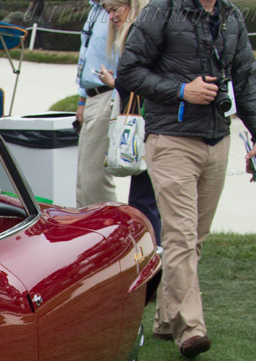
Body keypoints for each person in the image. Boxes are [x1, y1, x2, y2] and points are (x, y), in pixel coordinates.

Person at [117, 0, 256, 358]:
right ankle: (191, 329)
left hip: (218, 140)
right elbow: (129, 69)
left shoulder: (232, 16)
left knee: (194, 238)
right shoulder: (162, 10)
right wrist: (182, 90)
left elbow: (246, 76)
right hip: (170, 140)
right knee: (182, 236)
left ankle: (166, 320)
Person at [95, 0, 160, 243]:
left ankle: (152, 251)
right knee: (148, 198)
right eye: (108, 11)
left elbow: (139, 80)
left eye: (116, 9)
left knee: (143, 201)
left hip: (149, 125)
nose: (111, 16)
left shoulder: (138, 33)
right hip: (153, 124)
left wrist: (115, 83)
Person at [73, 0, 116, 207]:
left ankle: (108, 229)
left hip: (109, 96)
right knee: (83, 176)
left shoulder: (118, 9)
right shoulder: (95, 9)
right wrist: (82, 100)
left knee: (94, 179)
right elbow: (86, 55)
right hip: (91, 97)